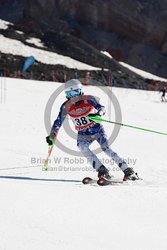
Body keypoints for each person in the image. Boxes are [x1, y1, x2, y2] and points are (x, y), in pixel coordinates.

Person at [46, 79, 138, 181]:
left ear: (80, 91)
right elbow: (58, 121)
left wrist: (99, 113)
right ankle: (102, 170)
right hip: (83, 133)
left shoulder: (88, 99)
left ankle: (128, 171)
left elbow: (102, 108)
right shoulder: (65, 106)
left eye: (75, 92)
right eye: (69, 93)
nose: (73, 96)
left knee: (106, 148)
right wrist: (52, 134)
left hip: (97, 129)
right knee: (82, 146)